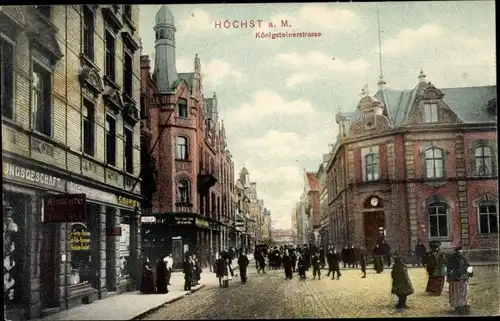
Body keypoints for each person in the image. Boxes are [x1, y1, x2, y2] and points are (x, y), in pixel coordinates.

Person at [446, 246, 472, 315]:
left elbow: (468, 266)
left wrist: (469, 272)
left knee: (464, 294)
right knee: (456, 294)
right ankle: (457, 308)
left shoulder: (464, 259)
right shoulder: (452, 259)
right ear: (456, 252)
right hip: (455, 280)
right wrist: (449, 277)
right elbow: (449, 269)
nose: (460, 253)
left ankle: (464, 307)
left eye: (461, 252)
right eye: (459, 252)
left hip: (463, 280)